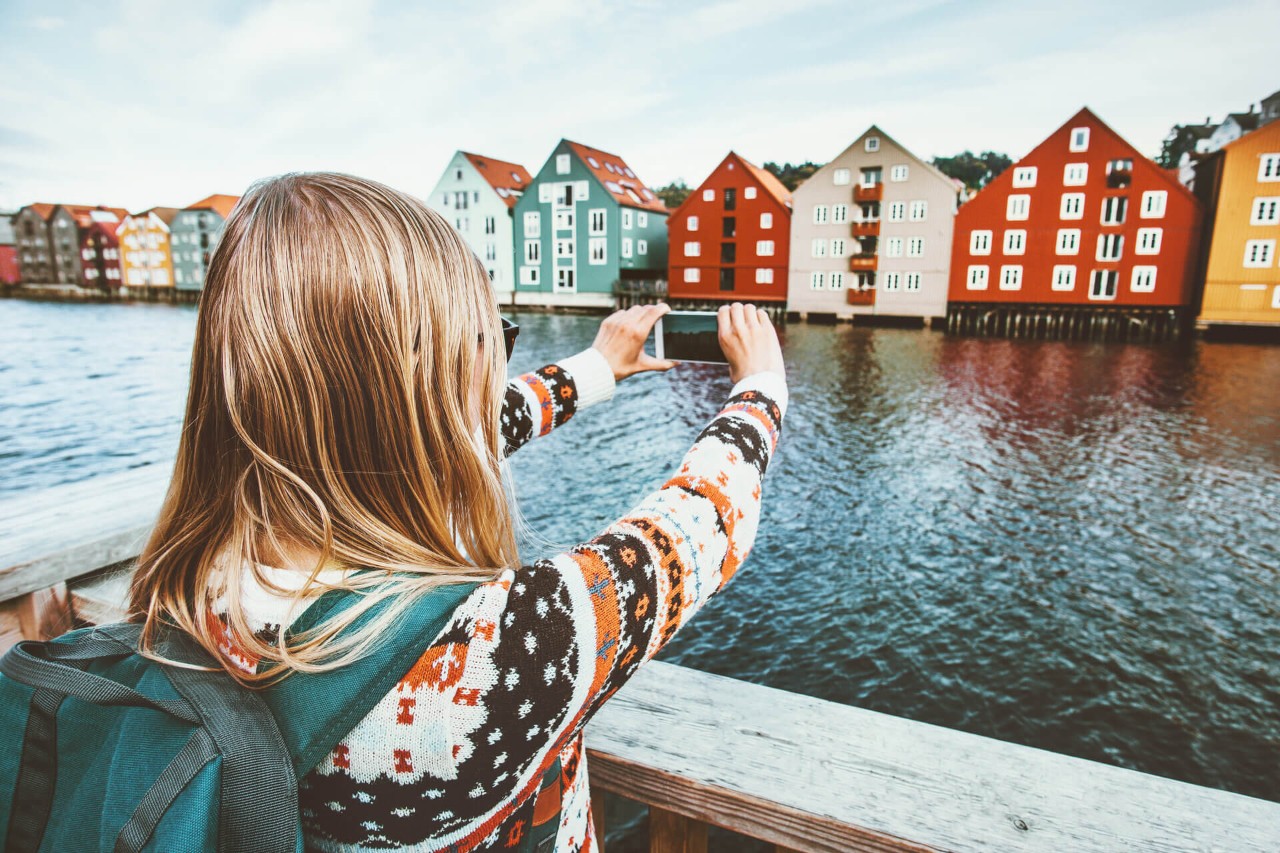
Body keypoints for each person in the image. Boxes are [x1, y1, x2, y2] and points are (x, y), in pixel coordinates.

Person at [128, 172, 787, 852]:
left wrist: (596, 367)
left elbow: (458, 428)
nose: (497, 366)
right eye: (492, 339)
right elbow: (702, 520)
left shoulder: (193, 581)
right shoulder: (495, 654)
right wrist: (761, 385)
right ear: (422, 383)